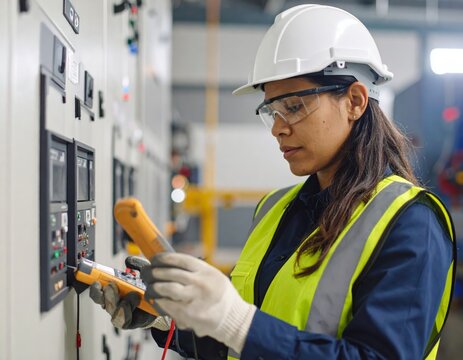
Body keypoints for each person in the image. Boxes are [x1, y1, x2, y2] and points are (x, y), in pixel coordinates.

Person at [90, 4, 457, 359]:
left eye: (294, 107)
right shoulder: (274, 209)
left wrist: (236, 323)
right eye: (272, 111)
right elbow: (242, 343)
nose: (279, 129)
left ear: (355, 101)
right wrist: (171, 319)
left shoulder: (411, 223)